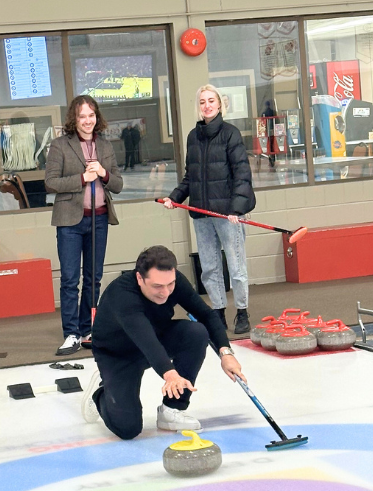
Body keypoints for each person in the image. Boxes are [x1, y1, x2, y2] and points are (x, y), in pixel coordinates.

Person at [83, 245, 245, 440]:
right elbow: (145, 339)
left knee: (195, 332)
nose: (166, 292)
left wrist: (225, 353)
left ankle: (172, 409)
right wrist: (170, 374)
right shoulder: (122, 295)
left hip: (156, 338)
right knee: (127, 429)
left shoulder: (172, 281)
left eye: (170, 284)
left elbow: (206, 315)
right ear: (139, 278)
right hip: (118, 354)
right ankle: (102, 392)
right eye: (157, 286)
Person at [166, 84, 256, 336]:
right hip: (201, 215)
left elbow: (242, 175)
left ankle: (241, 311)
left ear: (220, 104)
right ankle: (217, 312)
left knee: (236, 266)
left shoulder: (230, 134)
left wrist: (237, 209)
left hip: (228, 215)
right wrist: (175, 198)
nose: (207, 105)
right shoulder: (193, 137)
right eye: (202, 101)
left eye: (211, 100)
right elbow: (190, 177)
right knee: (210, 267)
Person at [51, 95, 123, 356]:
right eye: (82, 116)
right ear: (74, 119)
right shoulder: (60, 145)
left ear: (97, 117)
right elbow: (51, 182)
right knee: (70, 279)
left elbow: (118, 183)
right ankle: (70, 333)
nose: (87, 121)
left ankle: (87, 329)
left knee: (93, 278)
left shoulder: (104, 146)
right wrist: (82, 177)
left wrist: (103, 173)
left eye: (91, 115)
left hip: (99, 219)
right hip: (70, 222)